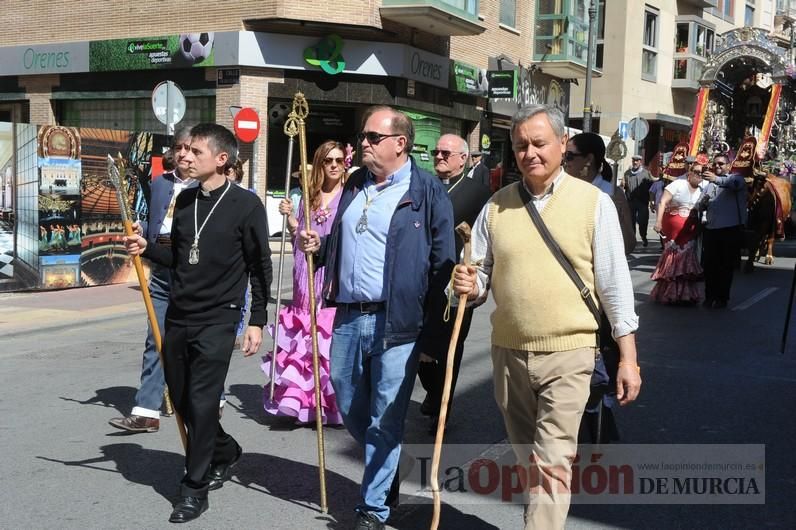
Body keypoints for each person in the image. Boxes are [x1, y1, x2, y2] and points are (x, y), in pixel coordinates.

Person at [452, 104, 640, 530]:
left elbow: (614, 286)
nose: (529, 152)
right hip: (509, 353)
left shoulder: (594, 203)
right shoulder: (497, 206)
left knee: (552, 461)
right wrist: (467, 283)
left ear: (562, 145)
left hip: (570, 353)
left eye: (539, 143)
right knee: (529, 460)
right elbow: (479, 273)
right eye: (521, 145)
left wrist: (627, 358)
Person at [298, 106, 455, 530]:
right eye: (361, 137)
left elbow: (444, 264)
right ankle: (387, 466)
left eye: (371, 137)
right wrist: (322, 243)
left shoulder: (426, 191)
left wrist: (433, 336)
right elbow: (350, 237)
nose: (361, 144)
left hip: (398, 320)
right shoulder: (354, 183)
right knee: (347, 399)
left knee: (386, 415)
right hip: (349, 314)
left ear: (399, 144)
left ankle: (373, 508)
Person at [123, 123, 272, 523]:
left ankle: (194, 486)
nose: (184, 157)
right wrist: (147, 248)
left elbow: (260, 267)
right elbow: (179, 255)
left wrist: (257, 320)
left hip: (219, 318)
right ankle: (225, 451)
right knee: (187, 403)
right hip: (179, 314)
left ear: (221, 159)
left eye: (195, 152)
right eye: (183, 150)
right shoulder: (186, 200)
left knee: (204, 403)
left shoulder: (247, 205)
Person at [109, 129, 196, 434]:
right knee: (155, 338)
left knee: (194, 342)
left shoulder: (206, 187)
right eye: (179, 148)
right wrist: (139, 227)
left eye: (190, 148)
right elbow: (154, 220)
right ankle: (147, 410)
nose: (184, 154)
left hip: (192, 272)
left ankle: (210, 399)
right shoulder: (160, 184)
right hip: (160, 268)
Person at [262, 140, 346, 425]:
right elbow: (299, 232)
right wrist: (290, 220)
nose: (334, 165)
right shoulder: (309, 196)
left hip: (331, 271)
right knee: (305, 337)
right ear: (320, 164)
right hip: (305, 272)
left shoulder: (349, 197)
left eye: (338, 160)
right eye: (328, 160)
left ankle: (328, 404)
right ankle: (302, 402)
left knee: (326, 338)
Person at [417, 134, 491, 434]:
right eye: (436, 152)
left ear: (463, 158)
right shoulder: (423, 185)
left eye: (446, 153)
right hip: (422, 281)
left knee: (449, 348)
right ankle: (436, 393)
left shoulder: (480, 193)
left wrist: (482, 283)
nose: (439, 157)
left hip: (456, 283)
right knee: (419, 348)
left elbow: (488, 242)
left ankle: (443, 406)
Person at [564, 132, 636, 255]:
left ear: (588, 159)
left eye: (570, 156)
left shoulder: (610, 193)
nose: (565, 161)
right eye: (564, 155)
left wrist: (618, 216)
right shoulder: (562, 188)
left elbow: (628, 246)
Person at [651, 161, 706, 304]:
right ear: (689, 173)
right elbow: (662, 202)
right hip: (673, 230)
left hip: (691, 230)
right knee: (674, 258)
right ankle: (669, 294)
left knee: (687, 260)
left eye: (703, 172)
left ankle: (685, 295)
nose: (700, 175)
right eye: (697, 172)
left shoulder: (703, 188)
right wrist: (658, 222)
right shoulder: (677, 185)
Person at [700, 153, 748, 308]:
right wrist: (702, 204)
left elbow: (733, 184)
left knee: (725, 266)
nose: (718, 166)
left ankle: (722, 298)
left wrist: (716, 179)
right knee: (709, 265)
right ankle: (709, 296)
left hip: (729, 229)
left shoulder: (736, 178)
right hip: (711, 229)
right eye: (716, 164)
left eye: (721, 164)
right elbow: (702, 201)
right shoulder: (709, 184)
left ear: (728, 166)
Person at [623, 154, 654, 247]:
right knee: (631, 221)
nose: (635, 162)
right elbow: (624, 186)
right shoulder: (627, 173)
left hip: (642, 202)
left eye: (637, 161)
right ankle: (633, 240)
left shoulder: (646, 173)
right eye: (634, 161)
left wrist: (651, 201)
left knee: (643, 221)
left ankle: (644, 237)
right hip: (631, 201)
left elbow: (651, 188)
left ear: (640, 162)